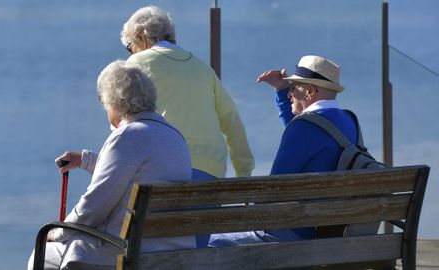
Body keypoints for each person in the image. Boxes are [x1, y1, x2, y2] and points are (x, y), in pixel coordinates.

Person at [28, 60, 193, 270]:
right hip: (172, 251)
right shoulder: (173, 135)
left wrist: (61, 232)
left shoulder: (127, 136)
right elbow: (134, 175)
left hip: (126, 252)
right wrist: (86, 160)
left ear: (114, 102)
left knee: (43, 254)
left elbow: (96, 205)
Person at [209, 55, 358, 246]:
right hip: (331, 232)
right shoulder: (349, 121)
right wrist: (281, 90)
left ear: (311, 91)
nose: (290, 94)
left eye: (293, 88)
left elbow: (273, 190)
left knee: (205, 244)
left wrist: (246, 209)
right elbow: (309, 134)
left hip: (296, 234)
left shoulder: (304, 129)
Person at [120, 5, 255, 181]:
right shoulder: (203, 68)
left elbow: (122, 121)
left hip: (165, 165)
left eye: (130, 47)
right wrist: (243, 173)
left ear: (141, 37)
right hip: (211, 169)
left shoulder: (136, 63)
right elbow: (232, 120)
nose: (132, 52)